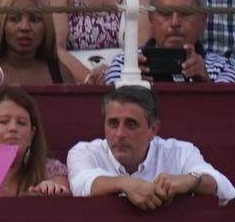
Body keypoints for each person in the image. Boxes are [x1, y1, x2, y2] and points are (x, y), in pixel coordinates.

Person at [66, 85, 235, 207]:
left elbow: (226, 190)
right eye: (113, 123)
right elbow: (82, 184)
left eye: (130, 124)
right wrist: (125, 184)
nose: (119, 134)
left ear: (153, 129)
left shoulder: (180, 152)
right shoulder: (84, 151)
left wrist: (191, 181)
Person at [102, 0, 235, 83]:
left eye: (185, 14)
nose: (175, 23)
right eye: (165, 14)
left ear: (203, 19)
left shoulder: (223, 67)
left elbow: (224, 111)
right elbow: (114, 110)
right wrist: (132, 85)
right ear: (151, 19)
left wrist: (205, 82)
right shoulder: (124, 64)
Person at [0, 0, 93, 82]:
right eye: (14, 19)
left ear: (46, 26)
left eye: (35, 19)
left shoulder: (61, 75)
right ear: (1, 25)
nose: (25, 27)